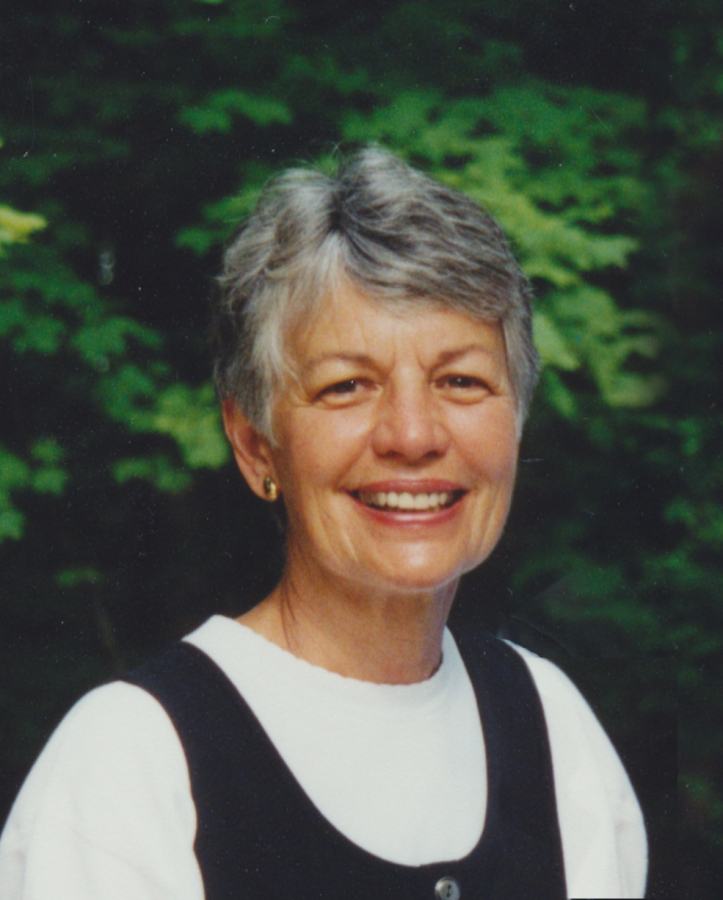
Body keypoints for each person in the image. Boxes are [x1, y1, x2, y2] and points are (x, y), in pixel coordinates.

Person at [0, 147, 647, 899]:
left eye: (460, 380)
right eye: (346, 386)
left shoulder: (553, 729)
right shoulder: (132, 762)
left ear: (517, 421)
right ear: (254, 444)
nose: (412, 434)